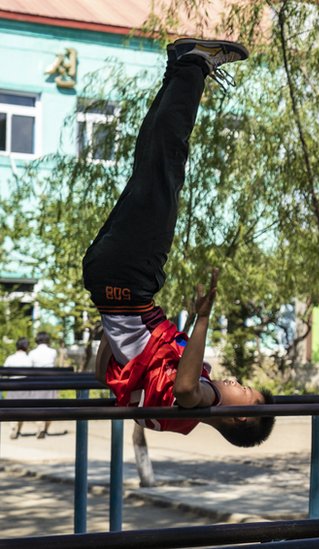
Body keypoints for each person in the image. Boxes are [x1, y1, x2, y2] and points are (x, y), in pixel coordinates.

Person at [83, 38, 274, 447]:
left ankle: (194, 65)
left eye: (245, 390)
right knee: (152, 163)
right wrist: (116, 322)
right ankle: (181, 67)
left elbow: (186, 388)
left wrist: (202, 317)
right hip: (109, 279)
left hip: (132, 279)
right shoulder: (166, 415)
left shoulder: (197, 400)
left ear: (241, 415)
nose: (237, 382)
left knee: (165, 162)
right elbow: (105, 372)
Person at [27, 331, 59, 438]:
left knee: (37, 405)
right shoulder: (53, 352)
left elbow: (29, 368)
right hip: (51, 381)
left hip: (37, 381)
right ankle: (46, 429)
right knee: (51, 405)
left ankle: (39, 426)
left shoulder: (32, 353)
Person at [4, 337, 33, 439]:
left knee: (11, 408)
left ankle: (13, 427)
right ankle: (19, 430)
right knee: (22, 409)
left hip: (12, 386)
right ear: (27, 347)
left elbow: (4, 373)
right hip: (25, 387)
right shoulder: (29, 359)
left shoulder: (10, 358)